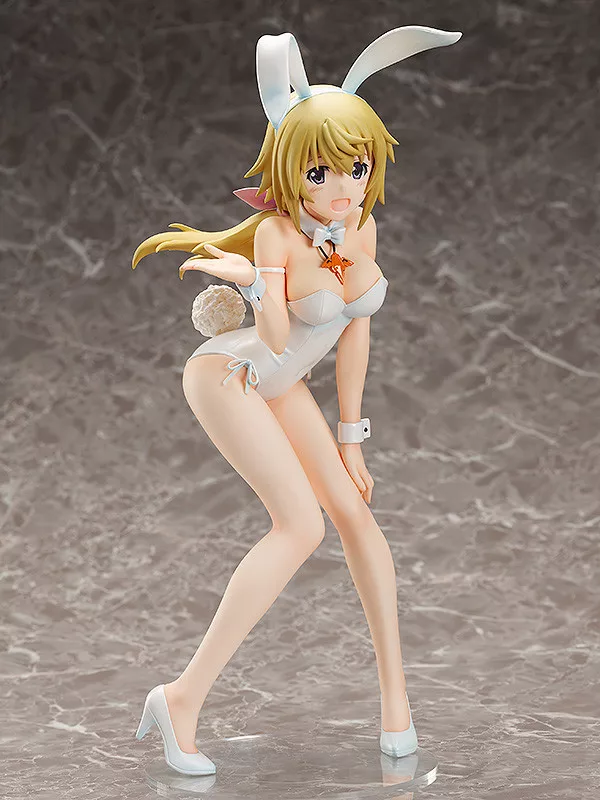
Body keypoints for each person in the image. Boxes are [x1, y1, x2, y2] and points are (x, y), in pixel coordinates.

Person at [131, 25, 461, 776]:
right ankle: (180, 699)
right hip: (233, 375)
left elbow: (354, 332)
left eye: (356, 166)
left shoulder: (360, 228)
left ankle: (397, 703)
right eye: (321, 172)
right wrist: (255, 281)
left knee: (356, 516)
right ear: (289, 170)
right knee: (300, 525)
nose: (342, 187)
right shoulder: (278, 237)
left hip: (285, 386)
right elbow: (277, 335)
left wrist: (351, 437)